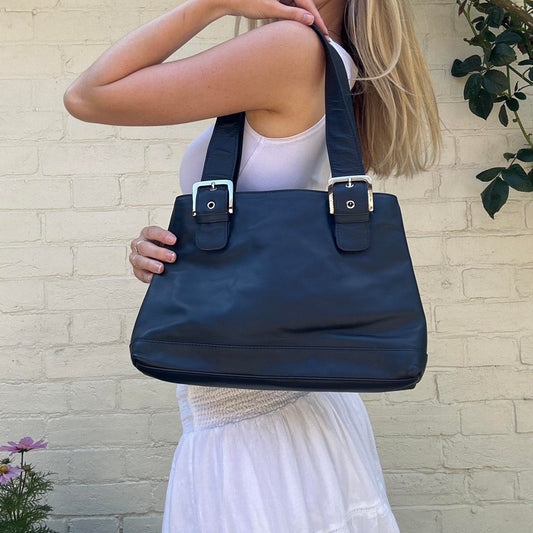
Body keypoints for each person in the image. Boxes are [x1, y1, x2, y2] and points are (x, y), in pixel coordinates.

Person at [64, 0, 442, 531]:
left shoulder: (289, 47)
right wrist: (182, 248)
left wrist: (212, 4)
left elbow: (87, 95)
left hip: (251, 419)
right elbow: (272, 210)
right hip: (295, 404)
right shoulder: (334, 56)